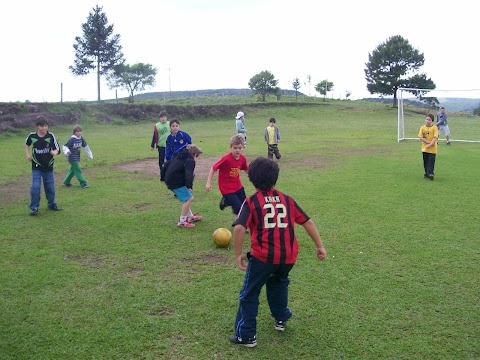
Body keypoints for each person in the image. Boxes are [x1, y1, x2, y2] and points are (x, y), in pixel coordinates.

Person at [229, 157, 327, 348]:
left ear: (251, 179)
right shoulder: (287, 200)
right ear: (276, 178)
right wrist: (319, 246)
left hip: (263, 258)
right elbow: (307, 221)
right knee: (279, 283)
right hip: (288, 257)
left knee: (249, 293)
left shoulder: (251, 202)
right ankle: (281, 318)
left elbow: (240, 228)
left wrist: (238, 254)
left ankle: (246, 335)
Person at [25, 116, 62, 215]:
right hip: (36, 166)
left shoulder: (50, 136)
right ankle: (34, 208)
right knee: (35, 187)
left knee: (50, 188)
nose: (44, 128)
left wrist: (54, 152)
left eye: (46, 126)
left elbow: (57, 149)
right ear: (37, 126)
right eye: (42, 126)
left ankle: (51, 204)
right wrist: (28, 154)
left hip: (48, 166)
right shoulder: (32, 136)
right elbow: (27, 144)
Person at [205, 135, 248, 215]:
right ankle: (227, 201)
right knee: (238, 207)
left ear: (243, 148)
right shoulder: (226, 159)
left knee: (244, 205)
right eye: (235, 148)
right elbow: (214, 168)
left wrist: (253, 177)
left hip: (238, 186)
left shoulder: (242, 158)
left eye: (239, 148)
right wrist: (208, 182)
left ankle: (229, 204)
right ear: (230, 147)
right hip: (227, 189)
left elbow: (246, 168)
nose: (237, 150)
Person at [162, 144, 203, 228]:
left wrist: (163, 177)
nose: (197, 159)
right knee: (189, 198)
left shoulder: (180, 156)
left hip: (171, 180)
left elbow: (165, 165)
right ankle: (182, 221)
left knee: (186, 199)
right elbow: (189, 174)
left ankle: (190, 217)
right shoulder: (190, 160)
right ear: (195, 155)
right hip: (175, 182)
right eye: (197, 157)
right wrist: (189, 186)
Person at [150, 110, 170, 180]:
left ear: (166, 118)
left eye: (164, 117)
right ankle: (162, 174)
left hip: (169, 145)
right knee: (161, 161)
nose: (163, 118)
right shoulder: (157, 125)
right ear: (159, 118)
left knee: (169, 159)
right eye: (161, 117)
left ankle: (170, 173)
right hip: (161, 145)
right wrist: (152, 145)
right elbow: (154, 135)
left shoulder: (170, 124)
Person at [418, 113, 438, 180]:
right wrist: (427, 143)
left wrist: (431, 144)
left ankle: (431, 174)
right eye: (426, 119)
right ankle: (426, 174)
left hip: (432, 149)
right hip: (425, 148)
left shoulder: (434, 128)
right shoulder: (422, 127)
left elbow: (435, 137)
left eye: (429, 120)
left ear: (432, 120)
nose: (427, 121)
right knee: (425, 161)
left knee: (431, 161)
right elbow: (420, 137)